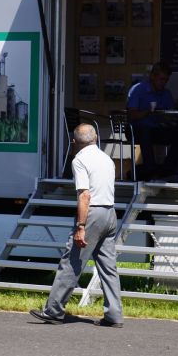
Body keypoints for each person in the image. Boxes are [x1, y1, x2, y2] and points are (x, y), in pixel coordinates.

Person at [29, 123, 123, 327]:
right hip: (110, 212)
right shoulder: (106, 159)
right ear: (96, 138)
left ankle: (53, 311)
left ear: (74, 142)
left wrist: (81, 226)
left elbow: (84, 195)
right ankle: (114, 315)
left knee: (71, 262)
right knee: (108, 268)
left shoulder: (80, 160)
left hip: (92, 214)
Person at [127, 62, 178, 180]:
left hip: (156, 129)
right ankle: (150, 169)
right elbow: (131, 114)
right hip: (136, 129)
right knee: (145, 131)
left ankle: (168, 168)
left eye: (166, 80)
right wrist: (148, 112)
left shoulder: (166, 93)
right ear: (152, 76)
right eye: (161, 79)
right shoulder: (138, 90)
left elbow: (171, 114)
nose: (163, 83)